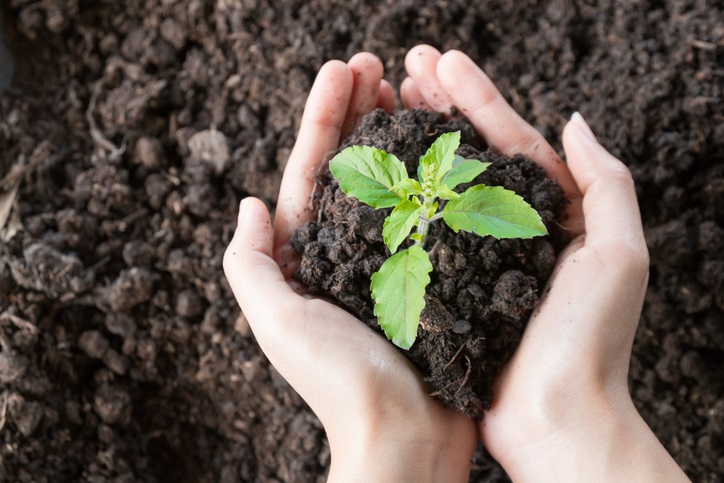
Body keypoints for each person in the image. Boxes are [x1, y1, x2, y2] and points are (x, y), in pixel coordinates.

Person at [223, 45, 690, 482]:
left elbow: (506, 212)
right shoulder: (394, 221)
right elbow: (360, 179)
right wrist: (567, 421)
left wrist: (392, 433)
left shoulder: (451, 187)